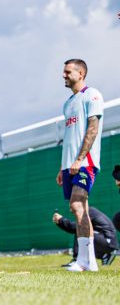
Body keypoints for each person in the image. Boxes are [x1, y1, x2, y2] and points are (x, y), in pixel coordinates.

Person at [58, 58, 104, 272]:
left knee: (77, 205)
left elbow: (92, 129)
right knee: (79, 208)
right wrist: (62, 167)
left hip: (85, 163)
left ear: (81, 73)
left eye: (68, 72)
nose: (63, 75)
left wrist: (79, 159)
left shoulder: (92, 94)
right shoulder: (68, 103)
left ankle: (84, 262)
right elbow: (69, 138)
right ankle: (90, 262)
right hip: (70, 165)